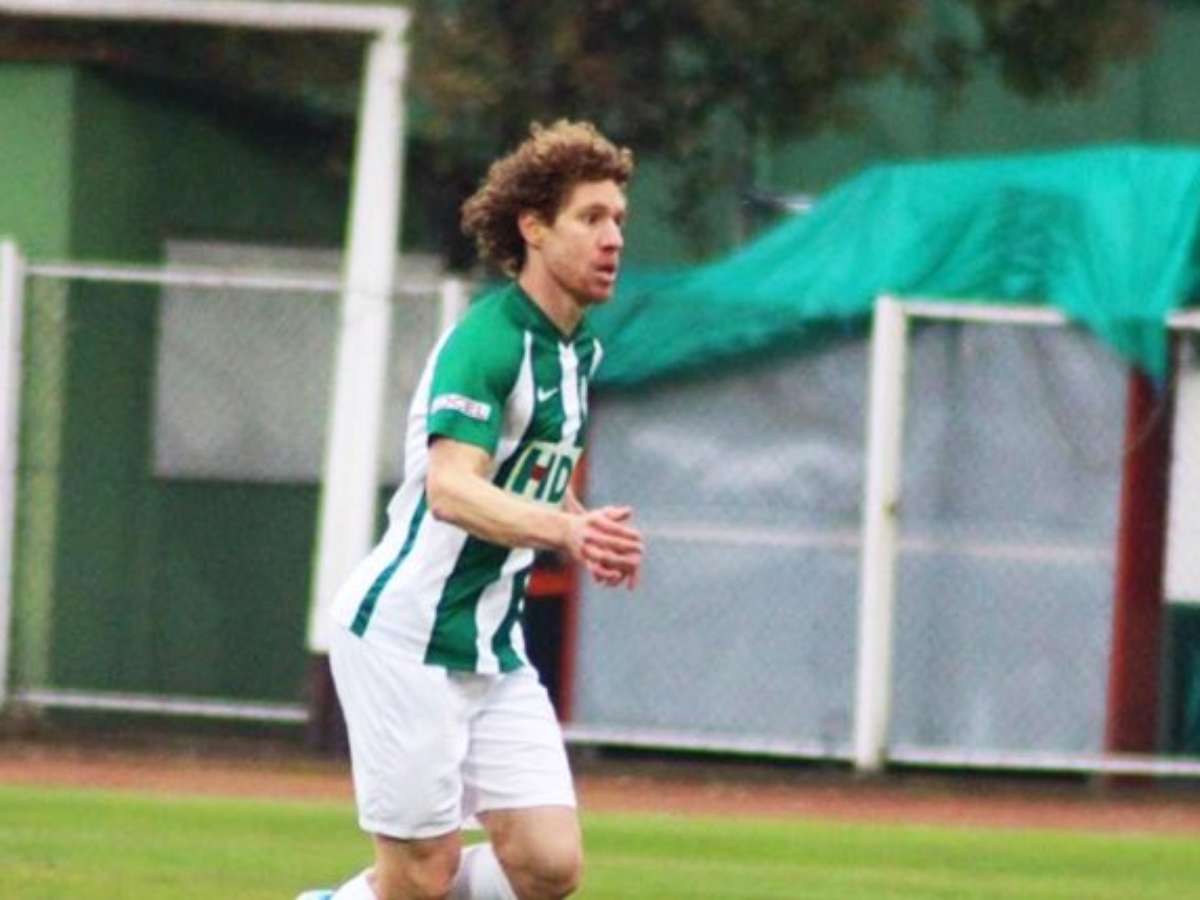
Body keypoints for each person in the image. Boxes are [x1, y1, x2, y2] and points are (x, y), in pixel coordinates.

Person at [298, 120, 644, 900]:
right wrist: (568, 529)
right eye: (591, 217)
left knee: (548, 865)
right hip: (407, 638)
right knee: (421, 877)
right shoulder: (488, 341)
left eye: (619, 219)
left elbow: (524, 469)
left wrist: (581, 525)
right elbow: (451, 489)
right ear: (534, 227)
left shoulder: (576, 350)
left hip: (491, 643)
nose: (613, 238)